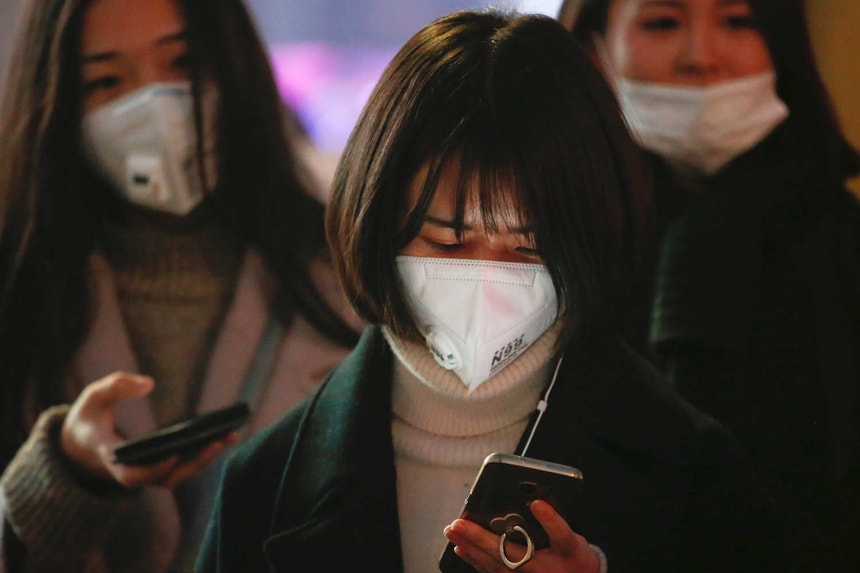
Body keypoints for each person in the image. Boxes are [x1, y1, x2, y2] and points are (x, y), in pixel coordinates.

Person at [198, 10, 782, 573]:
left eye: (530, 248)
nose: (487, 275)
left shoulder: (693, 468)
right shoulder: (265, 482)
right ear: (374, 224)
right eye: (449, 243)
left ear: (588, 240)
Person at [0, 0, 361, 571]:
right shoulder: (17, 289)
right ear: (57, 100)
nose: (156, 103)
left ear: (235, 63)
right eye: (106, 81)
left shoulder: (349, 270)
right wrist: (65, 469)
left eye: (184, 62)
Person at [560, 1, 860, 571]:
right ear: (595, 50)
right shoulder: (549, 244)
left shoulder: (844, 248)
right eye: (662, 23)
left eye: (739, 22)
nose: (701, 57)